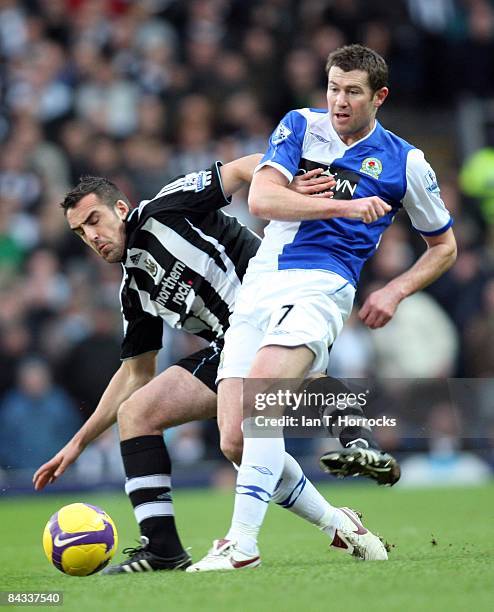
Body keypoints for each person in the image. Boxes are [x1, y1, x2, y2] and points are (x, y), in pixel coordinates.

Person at [32, 155, 382, 574]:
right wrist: (78, 442)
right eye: (80, 231)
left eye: (94, 220)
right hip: (230, 346)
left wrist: (287, 187)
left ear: (120, 209)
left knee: (252, 425)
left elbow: (241, 168)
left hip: (275, 305)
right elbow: (136, 373)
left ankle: (353, 433)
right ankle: (164, 548)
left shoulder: (168, 207)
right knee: (143, 415)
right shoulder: (134, 289)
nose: (92, 236)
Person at [188, 44, 457, 572]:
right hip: (262, 280)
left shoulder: (407, 161)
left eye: (353, 91)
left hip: (323, 284)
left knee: (262, 396)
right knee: (236, 440)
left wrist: (395, 290)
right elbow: (262, 201)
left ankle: (241, 544)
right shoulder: (299, 125)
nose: (339, 100)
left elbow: (444, 246)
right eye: (334, 87)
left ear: (379, 96)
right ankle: (340, 523)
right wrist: (343, 205)